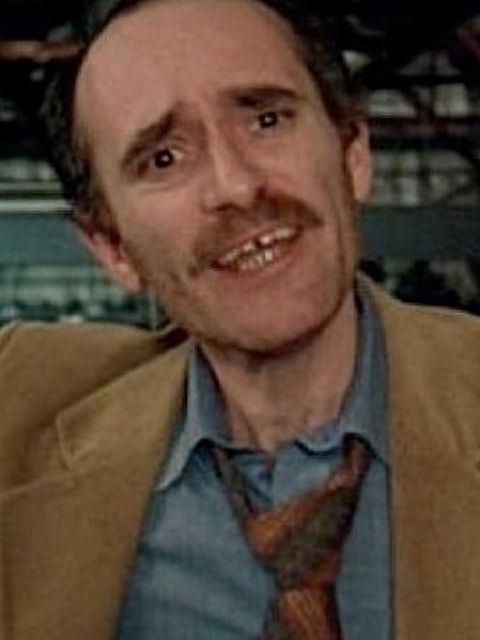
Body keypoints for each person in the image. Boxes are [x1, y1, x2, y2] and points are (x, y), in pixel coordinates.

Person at [1, 0, 480, 639]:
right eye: (163, 159)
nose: (235, 184)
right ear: (113, 249)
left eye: (266, 119)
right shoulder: (24, 418)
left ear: (353, 154)